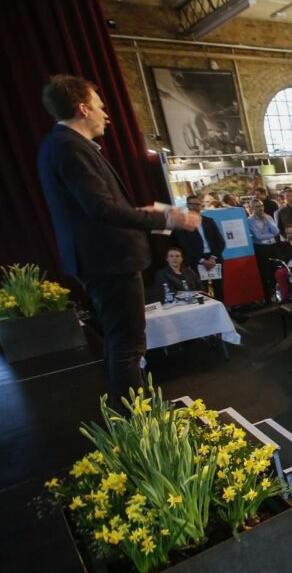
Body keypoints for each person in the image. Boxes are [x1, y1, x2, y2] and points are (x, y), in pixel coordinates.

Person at [37, 75, 199, 405]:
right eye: (99, 106)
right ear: (82, 108)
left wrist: (139, 211)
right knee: (127, 346)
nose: (105, 114)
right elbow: (101, 210)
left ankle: (135, 416)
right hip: (108, 262)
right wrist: (168, 217)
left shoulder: (63, 146)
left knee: (123, 343)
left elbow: (92, 209)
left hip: (102, 258)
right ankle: (138, 424)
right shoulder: (70, 147)